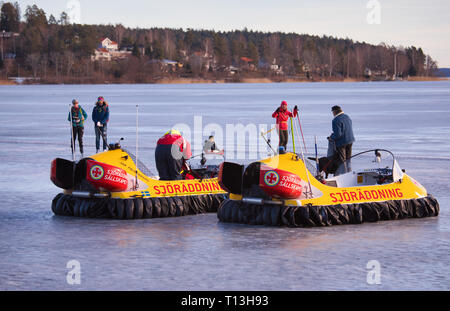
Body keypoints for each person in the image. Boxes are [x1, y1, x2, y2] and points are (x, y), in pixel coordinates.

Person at [328, 105, 355, 175]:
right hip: (350, 140)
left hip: (342, 142)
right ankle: (349, 172)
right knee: (348, 159)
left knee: (342, 160)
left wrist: (331, 138)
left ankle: (344, 174)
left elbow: (338, 134)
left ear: (334, 112)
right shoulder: (347, 117)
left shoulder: (335, 120)